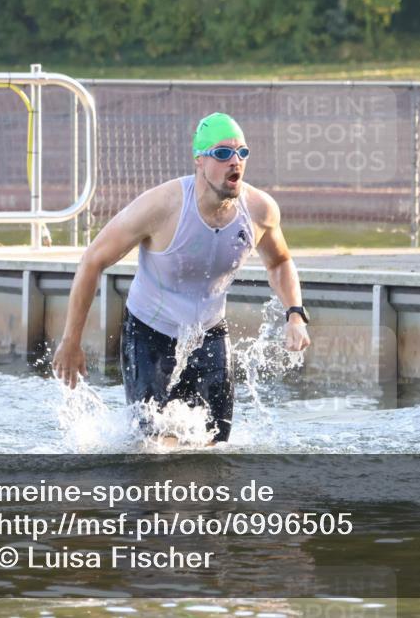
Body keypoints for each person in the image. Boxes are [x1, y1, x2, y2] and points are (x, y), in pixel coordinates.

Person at [52, 112, 311, 443]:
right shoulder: (163, 206)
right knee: (154, 448)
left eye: (242, 153)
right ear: (199, 161)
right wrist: (71, 341)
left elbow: (279, 262)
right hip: (148, 334)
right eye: (222, 154)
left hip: (209, 333)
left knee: (215, 444)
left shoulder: (259, 210)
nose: (235, 162)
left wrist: (295, 313)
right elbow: (92, 261)